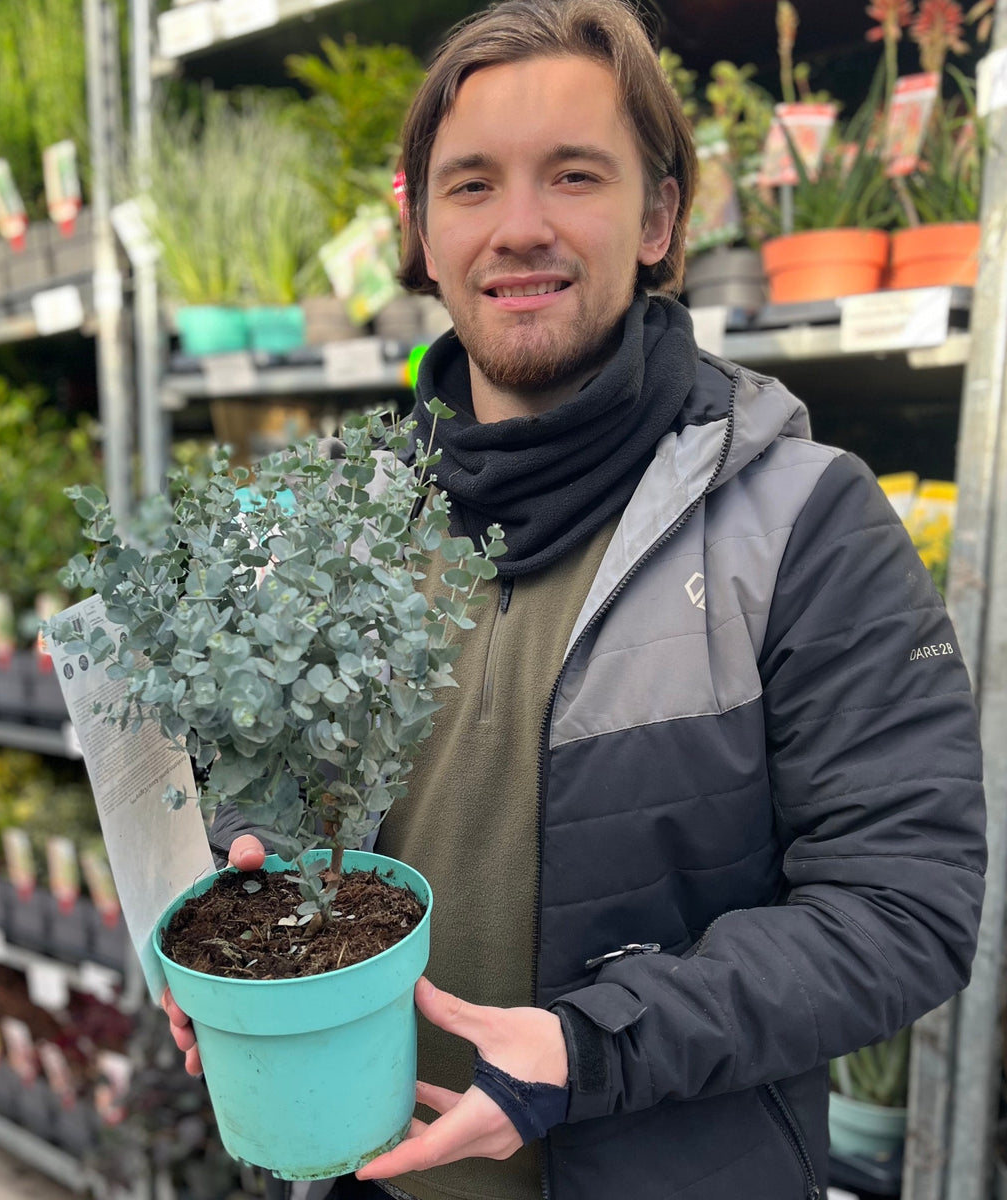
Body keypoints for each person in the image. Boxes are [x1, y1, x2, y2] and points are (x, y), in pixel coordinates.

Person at [164, 1, 987, 1197]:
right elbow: (284, 810)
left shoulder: (803, 522)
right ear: (423, 230)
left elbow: (904, 905)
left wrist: (591, 1049)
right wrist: (238, 897)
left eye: (575, 176)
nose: (521, 228)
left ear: (659, 218)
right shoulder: (349, 530)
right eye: (472, 185)